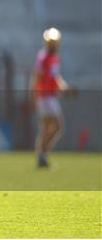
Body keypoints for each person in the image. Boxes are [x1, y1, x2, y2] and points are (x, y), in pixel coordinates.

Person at [30, 27, 69, 168]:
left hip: (50, 96)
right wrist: (34, 97)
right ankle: (42, 154)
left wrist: (63, 87)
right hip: (45, 97)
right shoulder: (43, 57)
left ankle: (42, 156)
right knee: (57, 126)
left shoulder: (54, 58)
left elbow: (55, 77)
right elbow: (37, 78)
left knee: (48, 128)